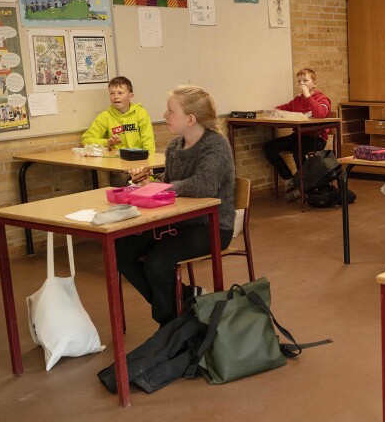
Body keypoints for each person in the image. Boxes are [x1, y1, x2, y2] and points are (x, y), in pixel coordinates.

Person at [116, 86, 235, 327]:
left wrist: (164, 188)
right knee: (121, 250)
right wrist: (150, 184)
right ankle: (184, 303)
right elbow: (171, 185)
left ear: (191, 119)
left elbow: (203, 186)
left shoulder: (216, 146)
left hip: (212, 226)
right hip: (179, 222)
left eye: (171, 111)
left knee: (157, 262)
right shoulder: (173, 147)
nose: (164, 115)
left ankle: (169, 323)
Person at [261, 67, 332, 202]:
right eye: (299, 81)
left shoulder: (323, 99)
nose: (302, 84)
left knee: (298, 150)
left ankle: (304, 185)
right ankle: (290, 179)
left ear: (314, 83)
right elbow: (281, 108)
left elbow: (320, 114)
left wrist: (308, 96)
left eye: (305, 80)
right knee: (268, 147)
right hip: (298, 135)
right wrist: (273, 112)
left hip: (316, 138)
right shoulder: (297, 101)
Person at [81, 76, 155, 187]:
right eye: (112, 93)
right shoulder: (105, 116)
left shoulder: (141, 113)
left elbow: (149, 143)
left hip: (140, 165)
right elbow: (86, 140)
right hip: (119, 170)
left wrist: (148, 166)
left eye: (120, 93)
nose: (115, 97)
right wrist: (107, 143)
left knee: (148, 187)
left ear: (131, 97)